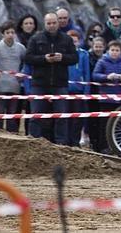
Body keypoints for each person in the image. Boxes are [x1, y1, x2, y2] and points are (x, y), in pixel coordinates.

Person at [24, 12, 78, 145]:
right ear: (45, 24)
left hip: (60, 84)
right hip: (39, 83)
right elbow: (28, 58)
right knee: (36, 115)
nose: (52, 25)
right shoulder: (36, 39)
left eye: (54, 23)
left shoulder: (67, 39)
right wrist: (44, 59)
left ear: (58, 23)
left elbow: (74, 58)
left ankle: (61, 144)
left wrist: (63, 58)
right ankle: (34, 143)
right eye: (49, 23)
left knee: (61, 116)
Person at [92, 40, 121, 153]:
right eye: (112, 50)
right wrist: (106, 77)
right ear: (108, 51)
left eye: (117, 50)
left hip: (120, 99)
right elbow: (95, 75)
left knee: (120, 124)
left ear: (120, 52)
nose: (114, 52)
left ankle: (119, 147)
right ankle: (103, 147)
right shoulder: (102, 62)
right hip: (106, 99)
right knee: (104, 124)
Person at [0, 21, 26, 133]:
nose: (10, 34)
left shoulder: (21, 48)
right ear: (2, 34)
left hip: (15, 86)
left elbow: (26, 62)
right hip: (0, 86)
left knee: (12, 114)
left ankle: (12, 136)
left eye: (12, 32)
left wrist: (22, 72)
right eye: (7, 32)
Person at [66, 30, 91, 147]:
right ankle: (66, 141)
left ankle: (75, 141)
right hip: (65, 91)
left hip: (79, 91)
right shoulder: (63, 54)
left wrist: (86, 91)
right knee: (65, 117)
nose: (73, 43)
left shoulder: (83, 54)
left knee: (78, 119)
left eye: (75, 41)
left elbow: (87, 73)